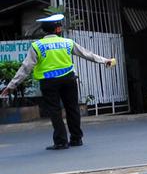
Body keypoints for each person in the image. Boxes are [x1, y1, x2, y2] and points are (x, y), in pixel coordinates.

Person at [1, 14, 117, 149]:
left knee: (55, 111)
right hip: (69, 79)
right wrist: (105, 60)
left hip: (48, 82)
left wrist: (12, 85)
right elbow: (87, 54)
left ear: (44, 30)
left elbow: (26, 68)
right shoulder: (67, 42)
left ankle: (61, 141)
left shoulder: (37, 46)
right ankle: (76, 139)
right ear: (57, 29)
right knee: (72, 108)